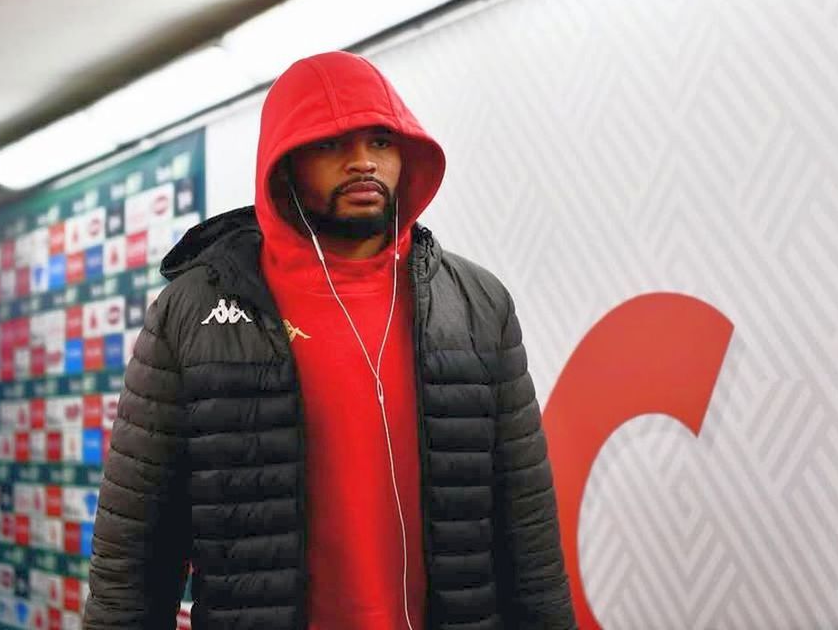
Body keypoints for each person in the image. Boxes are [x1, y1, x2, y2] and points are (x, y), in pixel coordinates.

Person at [83, 50, 576, 629]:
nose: (363, 162)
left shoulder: (476, 304)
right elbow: (137, 547)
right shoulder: (194, 313)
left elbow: (527, 525)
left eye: (381, 141)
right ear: (285, 162)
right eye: (331, 144)